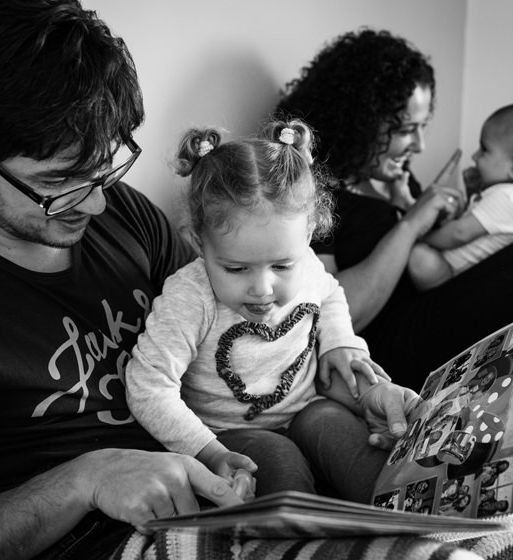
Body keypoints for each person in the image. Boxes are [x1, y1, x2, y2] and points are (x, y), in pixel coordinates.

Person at [0, 4, 418, 559]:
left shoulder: (120, 212)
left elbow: (231, 336)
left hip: (215, 486)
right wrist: (85, 480)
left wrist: (351, 389)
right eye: (62, 180)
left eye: (108, 163)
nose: (96, 199)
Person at [276, 27, 513, 419]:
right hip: (393, 348)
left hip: (436, 299)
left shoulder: (386, 171)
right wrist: (410, 224)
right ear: (361, 120)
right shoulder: (313, 185)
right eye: (405, 130)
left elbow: (432, 240)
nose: (420, 145)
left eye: (422, 126)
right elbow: (331, 316)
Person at [125, 119, 417, 500]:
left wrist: (340, 342)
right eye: (236, 268)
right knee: (278, 464)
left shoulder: (308, 264)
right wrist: (210, 453)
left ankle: (402, 516)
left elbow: (329, 294)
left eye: (281, 266)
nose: (263, 289)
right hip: (227, 433)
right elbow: (148, 386)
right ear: (198, 242)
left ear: (309, 234)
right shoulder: (188, 298)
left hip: (306, 408)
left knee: (350, 439)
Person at [408, 102, 513, 290]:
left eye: (484, 149)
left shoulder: (509, 199)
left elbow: (459, 234)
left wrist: (418, 236)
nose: (475, 156)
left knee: (418, 256)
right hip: (479, 275)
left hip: (453, 276)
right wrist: (475, 192)